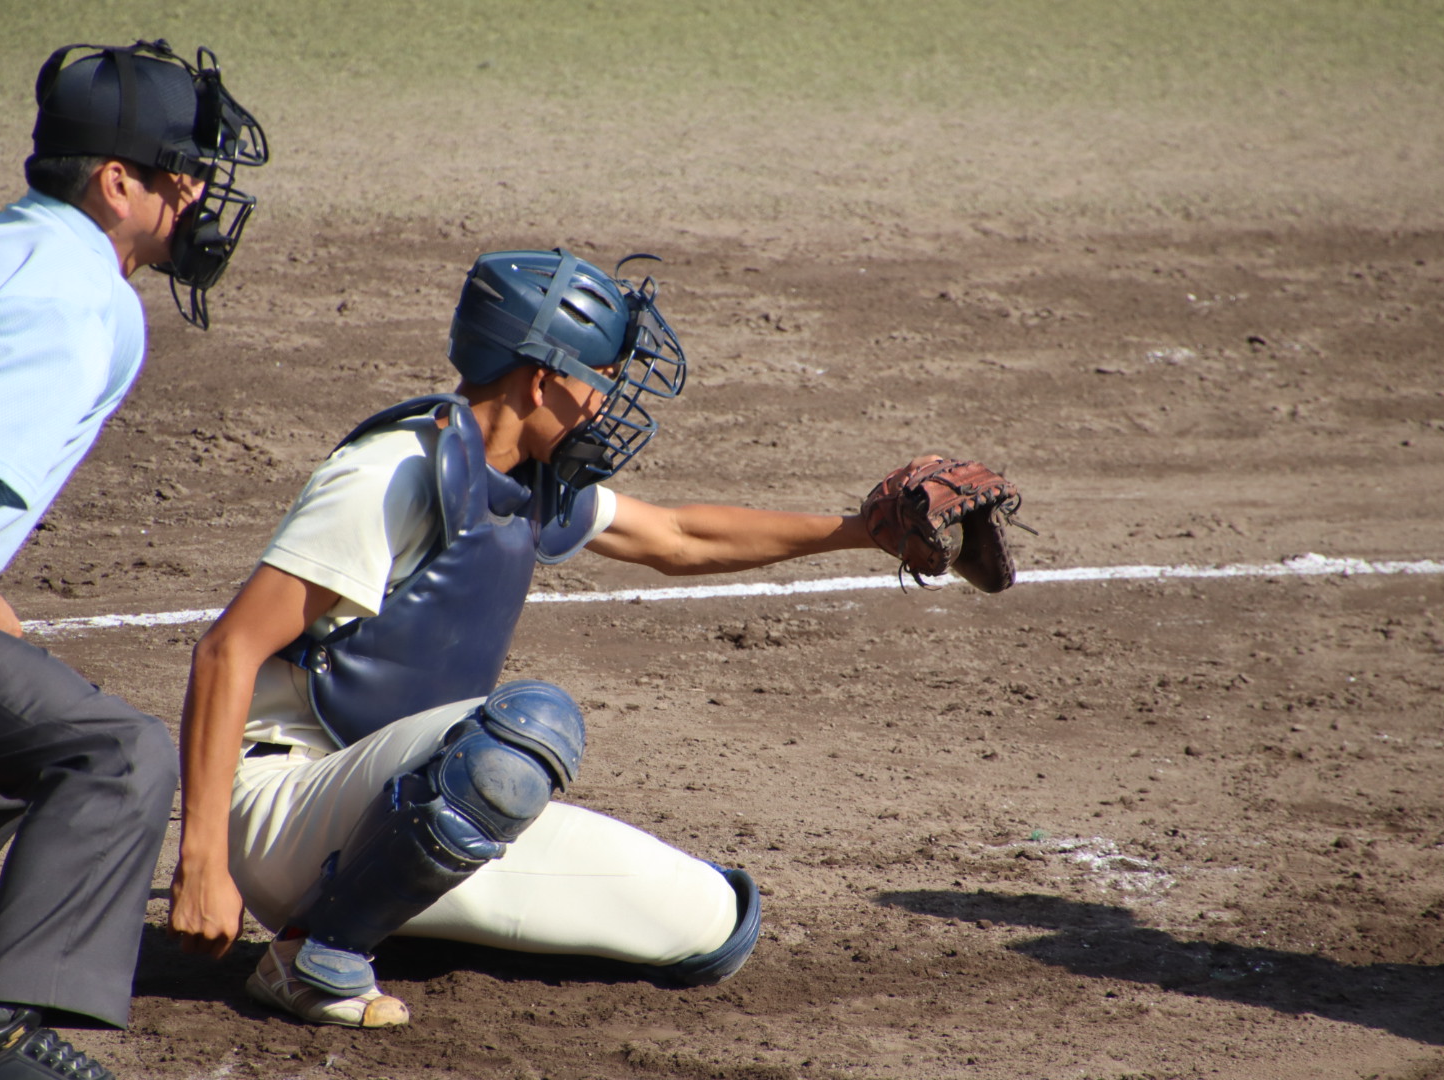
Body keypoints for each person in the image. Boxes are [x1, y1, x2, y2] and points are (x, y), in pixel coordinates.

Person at [167, 247, 920, 1027]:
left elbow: (677, 536)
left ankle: (390, 912)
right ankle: (314, 963)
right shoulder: (389, 476)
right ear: (537, 378)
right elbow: (228, 651)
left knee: (712, 922)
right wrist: (202, 863)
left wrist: (863, 533)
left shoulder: (525, 479)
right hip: (283, 807)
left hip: (400, 805)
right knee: (523, 731)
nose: (601, 404)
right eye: (593, 380)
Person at [0, 39, 266, 1080]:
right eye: (182, 176)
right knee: (116, 752)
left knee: (10, 735)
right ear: (118, 182)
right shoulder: (70, 288)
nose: (197, 199)